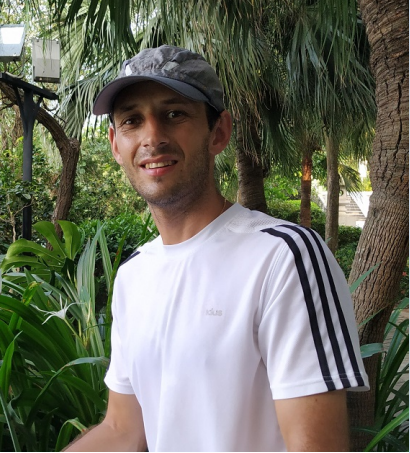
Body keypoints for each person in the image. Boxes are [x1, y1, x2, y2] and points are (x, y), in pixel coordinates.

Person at [66, 45, 369, 452]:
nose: (152, 137)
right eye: (132, 121)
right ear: (115, 145)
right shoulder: (132, 276)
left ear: (219, 132)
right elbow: (123, 430)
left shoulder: (284, 257)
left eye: (175, 114)